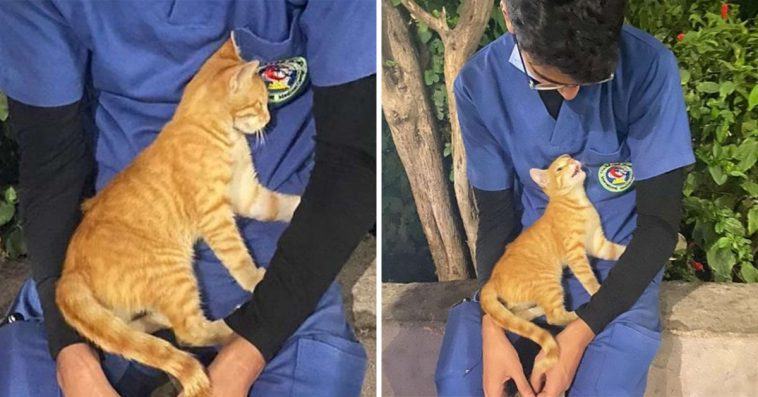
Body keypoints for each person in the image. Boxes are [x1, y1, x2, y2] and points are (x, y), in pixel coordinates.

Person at [0, 1, 375, 396]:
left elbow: (355, 158)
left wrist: (250, 350)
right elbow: (51, 167)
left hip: (279, 277)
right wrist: (72, 355)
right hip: (112, 269)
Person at [435, 1, 694, 396]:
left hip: (618, 282)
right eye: (549, 80)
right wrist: (494, 321)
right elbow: (497, 218)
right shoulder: (479, 85)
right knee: (462, 381)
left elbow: (659, 225)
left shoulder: (648, 67)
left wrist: (577, 338)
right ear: (508, 15)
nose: (572, 95)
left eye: (591, 81)